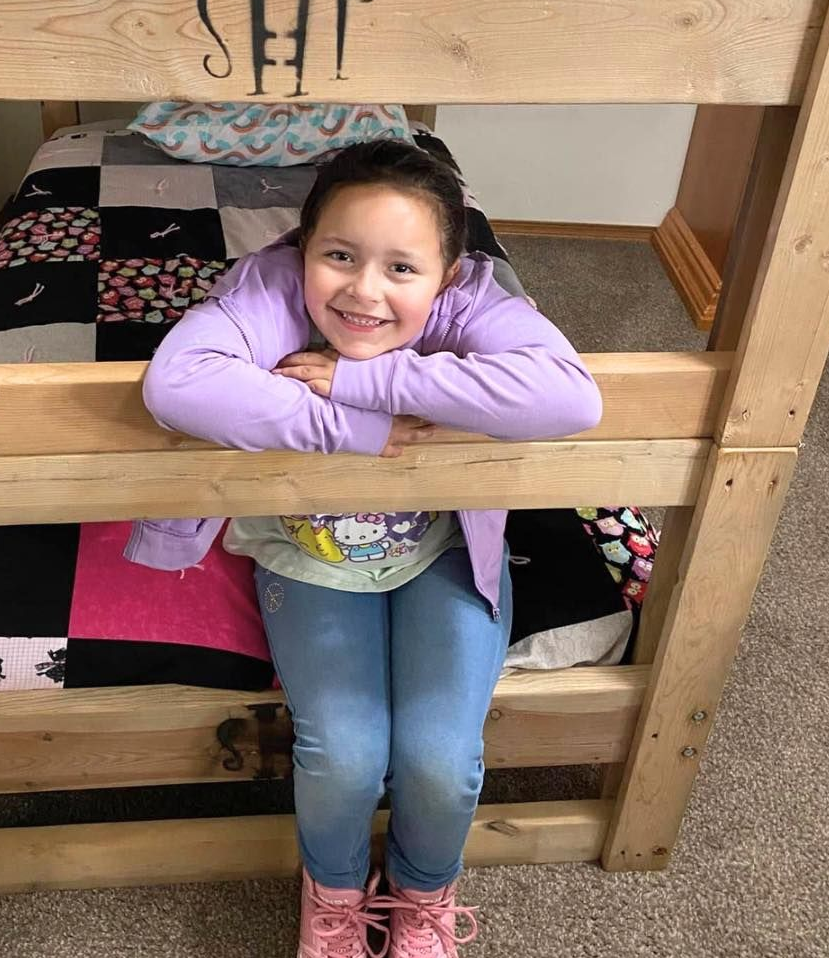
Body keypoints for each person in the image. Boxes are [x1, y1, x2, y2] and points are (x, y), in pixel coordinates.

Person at [125, 139, 602, 957]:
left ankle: (422, 892)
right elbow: (176, 382)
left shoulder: (467, 304)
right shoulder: (271, 289)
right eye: (339, 256)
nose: (363, 291)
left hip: (442, 548)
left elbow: (573, 397)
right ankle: (336, 894)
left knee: (439, 757)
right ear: (301, 248)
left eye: (401, 268)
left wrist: (363, 381)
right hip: (309, 553)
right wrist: (350, 430)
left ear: (448, 276)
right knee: (345, 755)